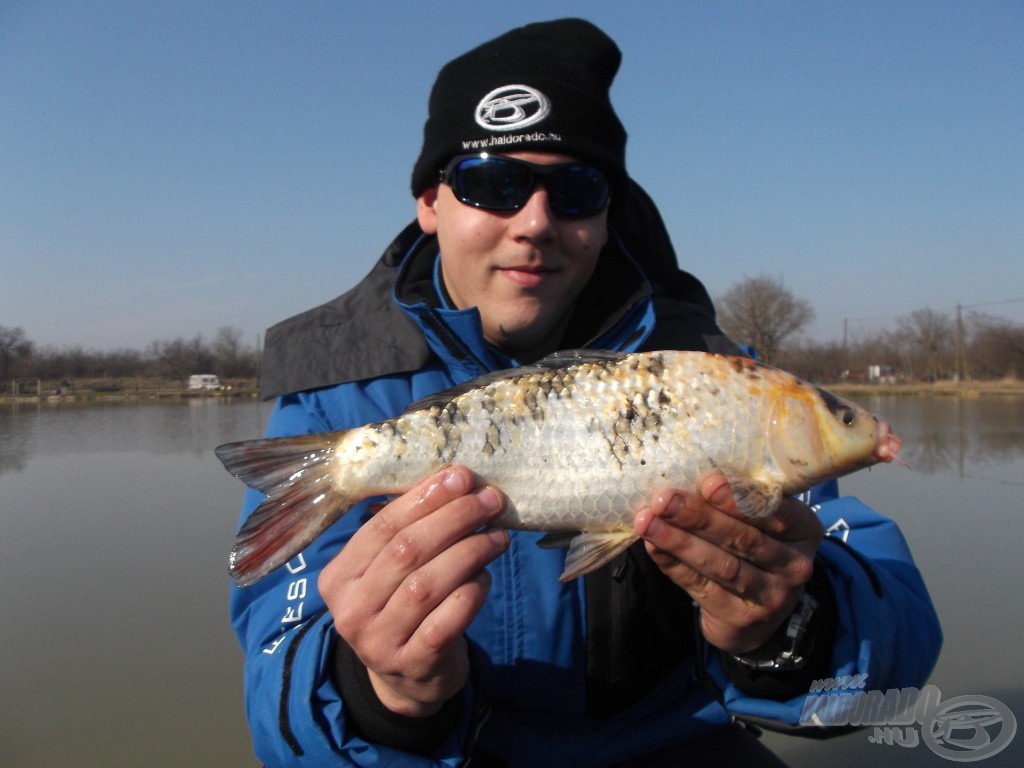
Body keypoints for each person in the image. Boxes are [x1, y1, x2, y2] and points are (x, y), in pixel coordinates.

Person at [230, 18, 941, 767]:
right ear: (431, 203)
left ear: (607, 217)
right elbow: (277, 680)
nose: (535, 223)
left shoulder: (715, 374)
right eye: (492, 184)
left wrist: (791, 625)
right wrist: (383, 694)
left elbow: (888, 658)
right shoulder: (334, 395)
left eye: (575, 189)